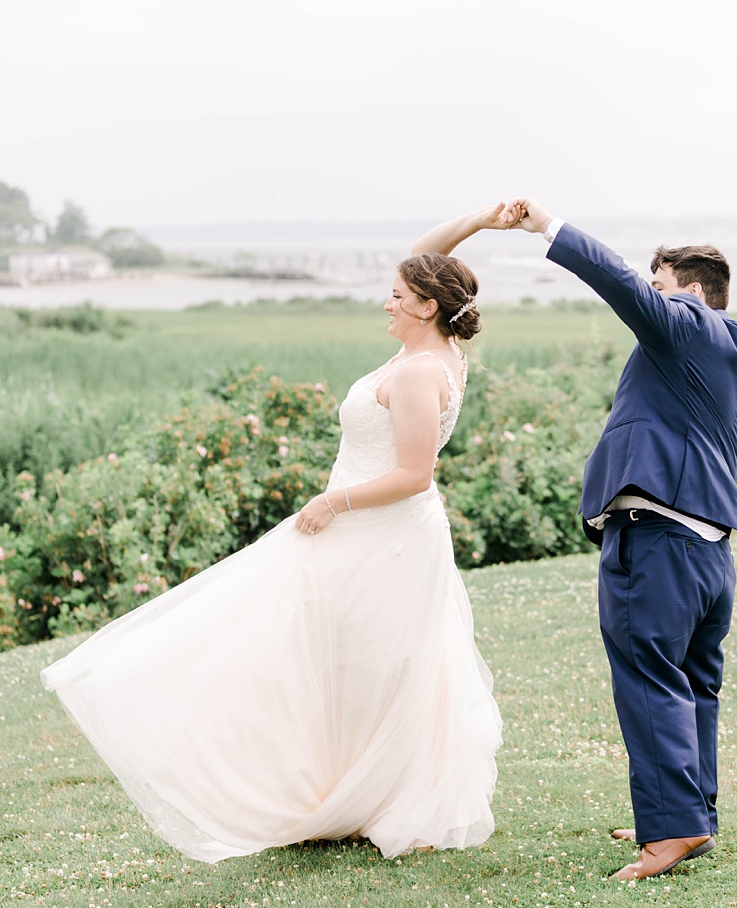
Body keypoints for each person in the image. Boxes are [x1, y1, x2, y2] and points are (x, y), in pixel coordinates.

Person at [40, 208, 513, 863]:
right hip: (374, 532)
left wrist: (333, 500)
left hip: (379, 532)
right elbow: (421, 255)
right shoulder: (436, 349)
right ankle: (344, 791)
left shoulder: (415, 373)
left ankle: (378, 796)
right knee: (349, 657)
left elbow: (413, 473)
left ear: (428, 306)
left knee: (370, 660)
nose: (387, 301)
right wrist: (481, 221)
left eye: (398, 297)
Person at [504, 198, 737, 880]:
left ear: (687, 291)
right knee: (691, 685)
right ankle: (689, 817)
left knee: (649, 679)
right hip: (708, 549)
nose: (649, 296)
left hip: (658, 546)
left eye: (659, 285)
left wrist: (546, 227)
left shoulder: (685, 326)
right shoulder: (734, 355)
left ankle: (671, 830)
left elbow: (619, 283)